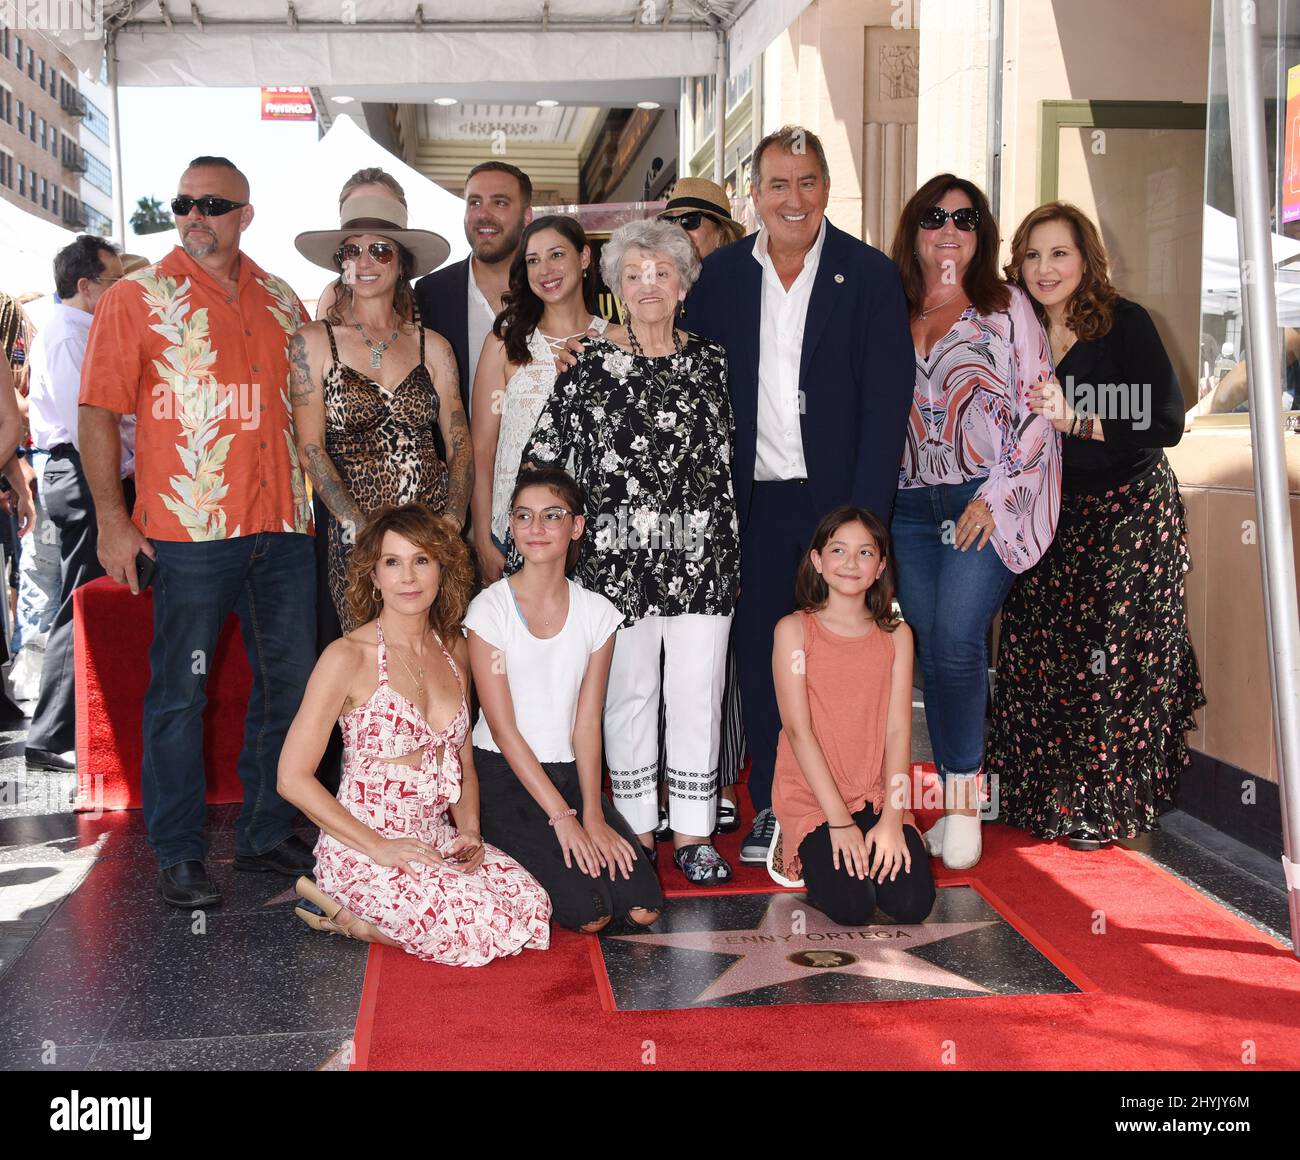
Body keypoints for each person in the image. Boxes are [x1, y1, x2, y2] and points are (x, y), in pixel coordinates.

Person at [79, 156, 318, 908]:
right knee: (179, 694)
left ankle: (263, 833)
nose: (194, 215)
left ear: (245, 214)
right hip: (188, 532)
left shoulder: (284, 300)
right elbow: (96, 413)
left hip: (282, 525)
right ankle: (179, 850)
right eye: (184, 202)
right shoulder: (135, 297)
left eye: (212, 204)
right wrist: (112, 523)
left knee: (290, 688)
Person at [681, 125, 915, 867]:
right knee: (759, 656)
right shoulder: (718, 277)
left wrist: (865, 524)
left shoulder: (868, 274)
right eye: (777, 184)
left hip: (836, 504)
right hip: (748, 500)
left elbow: (887, 406)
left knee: (842, 658)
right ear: (754, 195)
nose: (792, 198)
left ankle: (852, 796)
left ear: (825, 191)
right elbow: (689, 386)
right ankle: (774, 808)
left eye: (807, 182)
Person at [522, 218, 740, 885]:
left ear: (683, 284)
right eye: (634, 274)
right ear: (615, 285)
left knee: (699, 693)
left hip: (704, 559)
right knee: (630, 694)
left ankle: (697, 833)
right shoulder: (587, 365)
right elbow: (545, 459)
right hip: (618, 565)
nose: (649, 286)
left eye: (662, 273)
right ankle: (639, 829)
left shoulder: (714, 360)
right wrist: (548, 543)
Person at [988, 202, 1203, 848]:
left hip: (1127, 518)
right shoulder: (1012, 327)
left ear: (1086, 260)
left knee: (1107, 666)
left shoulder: (1123, 323)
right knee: (1035, 653)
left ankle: (1099, 803)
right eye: (1033, 254)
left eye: (1060, 253)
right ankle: (1033, 792)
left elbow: (1165, 421)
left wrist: (1077, 416)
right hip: (1048, 514)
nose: (1045, 267)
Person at [279, 503, 551, 963]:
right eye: (393, 562)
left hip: (434, 836)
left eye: (421, 560)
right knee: (477, 932)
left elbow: (461, 761)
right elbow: (291, 778)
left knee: (533, 908)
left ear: (441, 570)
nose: (408, 577)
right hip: (363, 846)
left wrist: (469, 830)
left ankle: (379, 911)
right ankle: (349, 917)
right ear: (374, 576)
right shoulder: (346, 657)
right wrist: (380, 848)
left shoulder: (454, 652)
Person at [888, 174, 1061, 871]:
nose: (949, 228)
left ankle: (964, 813)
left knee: (959, 639)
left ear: (981, 232)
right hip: (904, 503)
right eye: (935, 216)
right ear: (916, 230)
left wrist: (995, 496)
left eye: (965, 217)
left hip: (981, 500)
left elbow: (1039, 406)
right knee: (933, 647)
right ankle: (951, 806)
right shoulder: (889, 305)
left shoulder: (1006, 304)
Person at [468, 468, 664, 931]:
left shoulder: (597, 613)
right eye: (523, 516)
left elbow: (587, 722)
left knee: (643, 907)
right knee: (591, 914)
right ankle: (511, 841)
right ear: (511, 527)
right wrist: (561, 818)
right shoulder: (489, 610)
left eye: (551, 516)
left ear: (576, 526)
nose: (535, 529)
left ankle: (572, 835)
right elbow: (502, 729)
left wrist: (592, 814)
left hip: (569, 774)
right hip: (504, 772)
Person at [291, 182, 467, 633]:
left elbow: (460, 443)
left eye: (379, 251)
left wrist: (453, 517)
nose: (363, 262)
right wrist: (358, 528)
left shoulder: (434, 346)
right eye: (351, 251)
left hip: (431, 536)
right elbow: (310, 448)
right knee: (368, 665)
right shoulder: (314, 342)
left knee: (438, 653)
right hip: (357, 538)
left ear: (402, 262)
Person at [770, 506, 934, 925]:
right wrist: (840, 825)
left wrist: (894, 819)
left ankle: (869, 836)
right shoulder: (794, 630)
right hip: (817, 798)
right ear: (817, 562)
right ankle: (793, 839)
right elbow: (798, 730)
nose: (850, 562)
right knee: (853, 907)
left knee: (912, 904)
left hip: (875, 794)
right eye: (838, 550)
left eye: (865, 553)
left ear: (880, 566)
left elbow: (899, 730)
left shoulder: (897, 636)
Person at [656, 177, 746, 835]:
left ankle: (712, 781)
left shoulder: (740, 300)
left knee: (722, 654)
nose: (680, 232)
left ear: (723, 231)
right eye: (671, 222)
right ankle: (664, 785)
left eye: (693, 221)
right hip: (652, 513)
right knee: (659, 658)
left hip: (729, 498)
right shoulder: (657, 299)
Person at [25, 237, 131, 769]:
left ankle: (66, 727)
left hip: (89, 472)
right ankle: (49, 735)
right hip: (84, 472)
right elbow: (88, 419)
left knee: (89, 594)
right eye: (113, 280)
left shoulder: (78, 330)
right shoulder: (68, 334)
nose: (120, 290)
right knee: (80, 597)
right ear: (86, 285)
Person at [470, 215, 606, 584]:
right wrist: (483, 538)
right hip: (518, 531)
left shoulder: (618, 340)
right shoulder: (505, 344)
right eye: (533, 260)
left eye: (557, 255)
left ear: (584, 258)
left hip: (598, 536)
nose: (545, 269)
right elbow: (482, 449)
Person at [416, 161, 534, 420]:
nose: (483, 215)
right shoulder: (431, 294)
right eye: (474, 202)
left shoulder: (551, 290)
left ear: (527, 215)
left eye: (500, 203)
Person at [656, 177, 746, 259]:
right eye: (669, 222)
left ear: (721, 234)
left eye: (689, 219)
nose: (677, 230)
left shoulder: (742, 275)